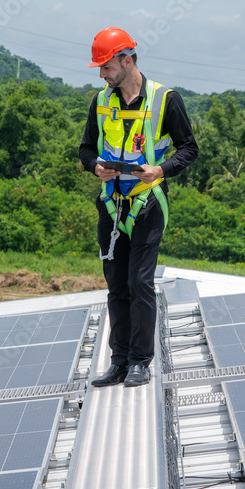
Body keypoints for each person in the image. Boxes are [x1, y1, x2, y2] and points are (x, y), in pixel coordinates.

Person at [78, 27, 198, 387]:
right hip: (111, 204)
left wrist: (160, 170)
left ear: (126, 61)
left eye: (106, 67)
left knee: (139, 282)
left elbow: (189, 149)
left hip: (148, 204)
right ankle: (120, 362)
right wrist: (94, 167)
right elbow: (85, 149)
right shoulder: (101, 102)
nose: (102, 75)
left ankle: (140, 363)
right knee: (116, 284)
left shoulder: (165, 99)